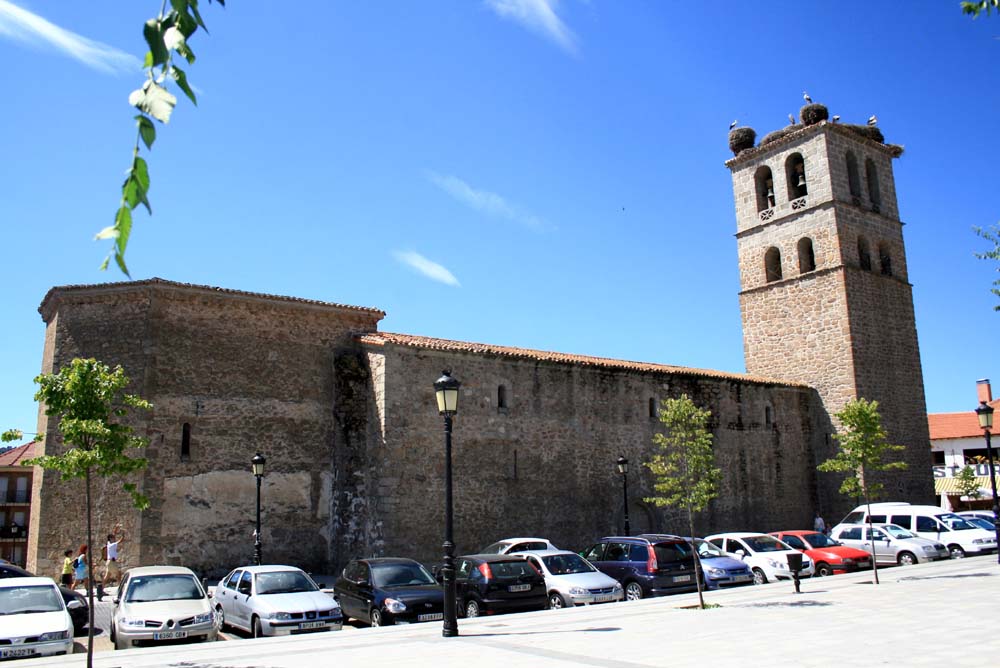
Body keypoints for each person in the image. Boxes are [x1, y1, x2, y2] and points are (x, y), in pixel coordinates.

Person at [100, 523, 127, 600]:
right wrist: (123, 534)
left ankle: (101, 589)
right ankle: (121, 589)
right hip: (112, 562)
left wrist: (116, 528)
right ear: (110, 539)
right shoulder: (112, 544)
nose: (114, 538)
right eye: (113, 538)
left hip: (109, 562)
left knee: (107, 577)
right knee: (118, 575)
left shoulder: (109, 543)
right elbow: (121, 540)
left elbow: (114, 534)